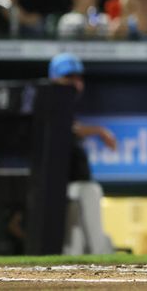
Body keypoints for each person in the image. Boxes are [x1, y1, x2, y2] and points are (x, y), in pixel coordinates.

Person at [48, 53, 115, 255]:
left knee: (74, 245)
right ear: (55, 78)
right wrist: (100, 131)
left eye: (78, 77)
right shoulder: (49, 102)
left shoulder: (67, 108)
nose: (75, 83)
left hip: (71, 187)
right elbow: (66, 129)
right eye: (69, 77)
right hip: (61, 187)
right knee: (90, 193)